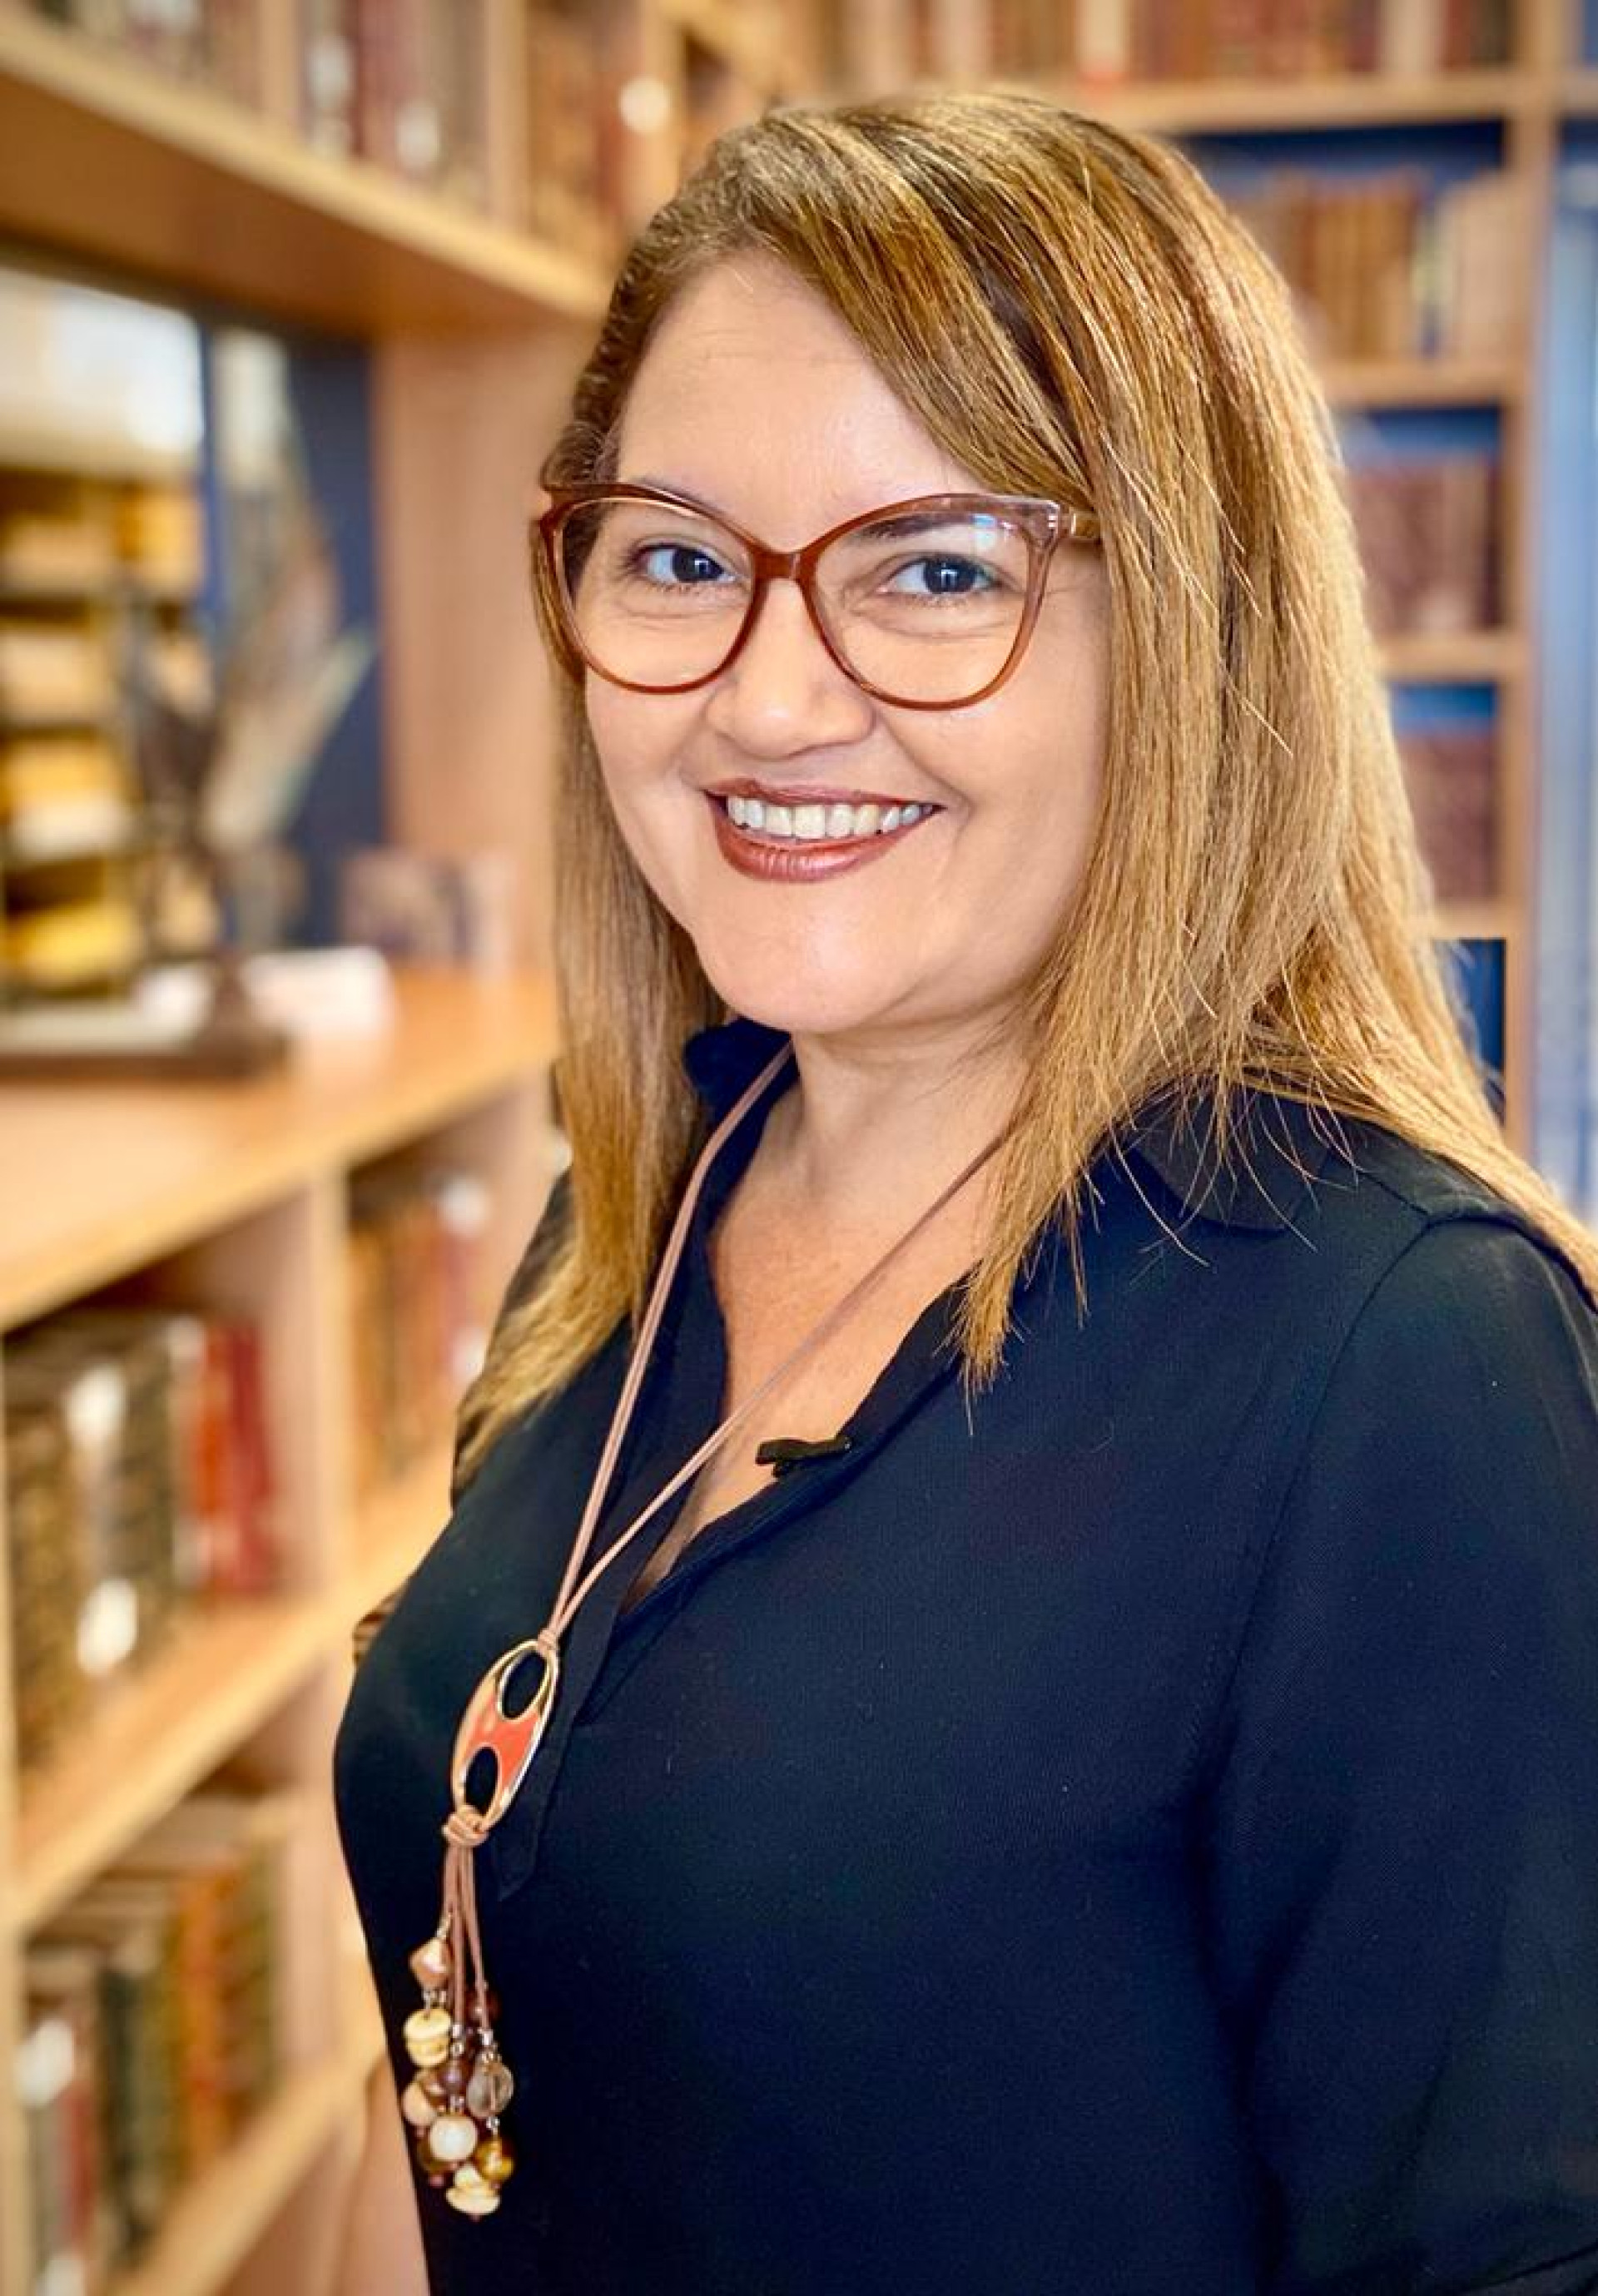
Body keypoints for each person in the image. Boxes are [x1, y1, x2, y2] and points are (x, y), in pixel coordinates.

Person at [330, 86, 1598, 2296]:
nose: (769, 699)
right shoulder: (641, 1202)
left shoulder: (1407, 1360)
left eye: (937, 568)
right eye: (679, 559)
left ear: (1192, 637)